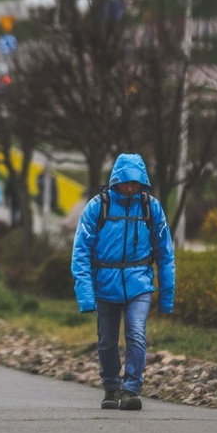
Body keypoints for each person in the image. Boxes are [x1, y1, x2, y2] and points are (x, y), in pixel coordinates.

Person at [71, 153, 175, 411]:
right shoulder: (98, 206)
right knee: (106, 340)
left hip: (139, 284)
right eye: (127, 182)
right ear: (116, 180)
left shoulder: (152, 208)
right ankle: (111, 388)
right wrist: (85, 296)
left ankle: (131, 389)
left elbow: (165, 253)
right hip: (105, 284)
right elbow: (81, 251)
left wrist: (167, 296)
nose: (132, 187)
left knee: (136, 334)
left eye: (137, 183)